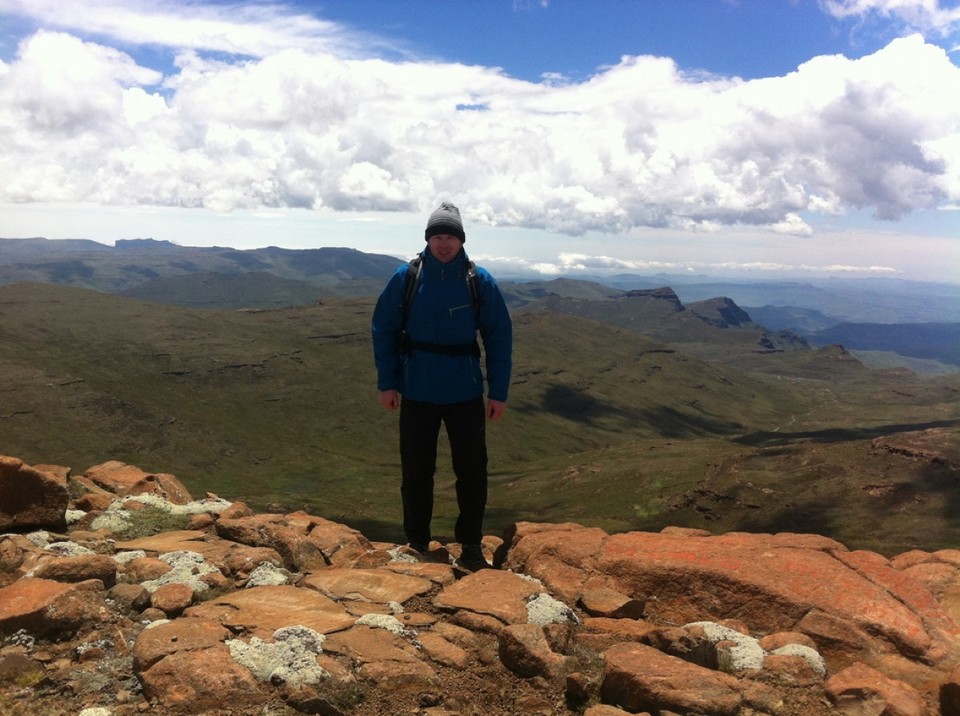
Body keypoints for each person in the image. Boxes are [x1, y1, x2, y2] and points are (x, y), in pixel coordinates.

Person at [371, 202, 512, 571]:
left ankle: (470, 546)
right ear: (428, 240)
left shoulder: (478, 281)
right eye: (437, 236)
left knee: (472, 473)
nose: (443, 243)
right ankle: (417, 542)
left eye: (450, 236)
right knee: (416, 472)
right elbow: (383, 329)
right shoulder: (408, 277)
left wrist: (498, 392)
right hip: (417, 390)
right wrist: (388, 383)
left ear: (461, 240)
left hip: (465, 393)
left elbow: (499, 337)